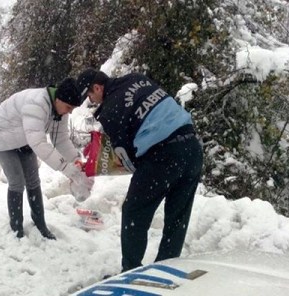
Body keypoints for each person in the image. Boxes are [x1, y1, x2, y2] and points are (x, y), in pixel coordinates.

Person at [76, 69, 203, 271]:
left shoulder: (110, 111)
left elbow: (126, 156)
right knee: (177, 217)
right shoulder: (136, 78)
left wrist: (100, 163)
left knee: (134, 212)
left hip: (162, 155)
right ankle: (167, 269)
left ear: (98, 87)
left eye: (90, 95)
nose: (91, 100)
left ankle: (131, 271)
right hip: (192, 147)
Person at [0, 78, 93, 240]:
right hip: (2, 136)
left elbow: (61, 140)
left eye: (72, 109)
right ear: (59, 99)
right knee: (17, 182)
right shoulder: (36, 104)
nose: (70, 112)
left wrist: (76, 162)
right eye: (68, 107)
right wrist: (65, 168)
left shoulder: (59, 110)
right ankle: (16, 227)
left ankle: (40, 223)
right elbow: (38, 142)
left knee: (33, 181)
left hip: (25, 140)